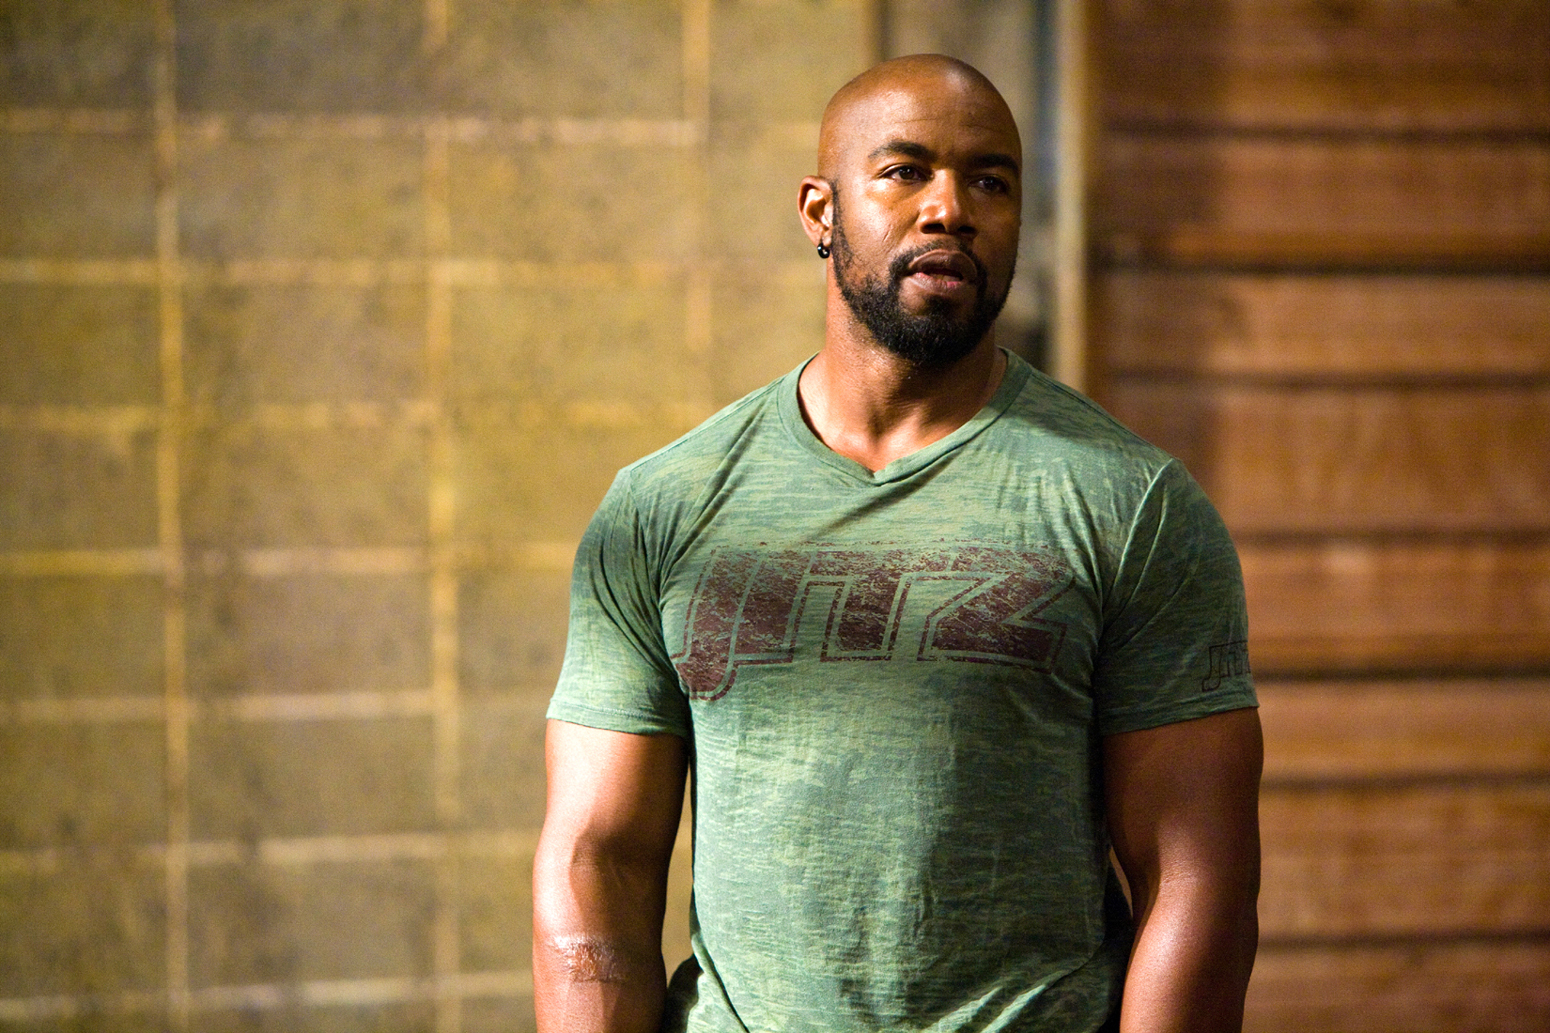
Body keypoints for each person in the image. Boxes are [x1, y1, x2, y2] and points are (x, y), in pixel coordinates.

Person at [533, 54, 1262, 1033]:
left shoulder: (1133, 506)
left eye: (990, 182)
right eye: (905, 171)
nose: (950, 209)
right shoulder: (661, 509)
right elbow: (600, 858)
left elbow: (1197, 875)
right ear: (819, 212)